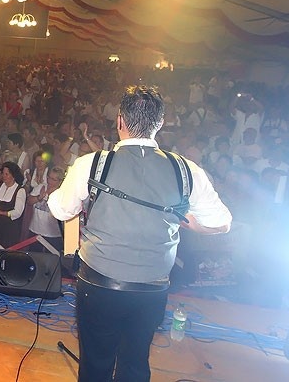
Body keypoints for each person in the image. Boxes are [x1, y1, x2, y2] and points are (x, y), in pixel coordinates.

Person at [48, 85, 232, 382]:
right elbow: (222, 222)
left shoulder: (91, 164)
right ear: (160, 123)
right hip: (152, 288)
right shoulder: (186, 170)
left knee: (96, 363)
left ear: (119, 120)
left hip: (99, 285)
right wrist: (192, 224)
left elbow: (60, 209)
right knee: (134, 363)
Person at [0, 162, 27, 250]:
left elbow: (17, 212)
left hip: (9, 228)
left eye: (7, 174)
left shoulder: (20, 191)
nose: (4, 176)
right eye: (3, 173)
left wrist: (1, 212)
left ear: (13, 176)